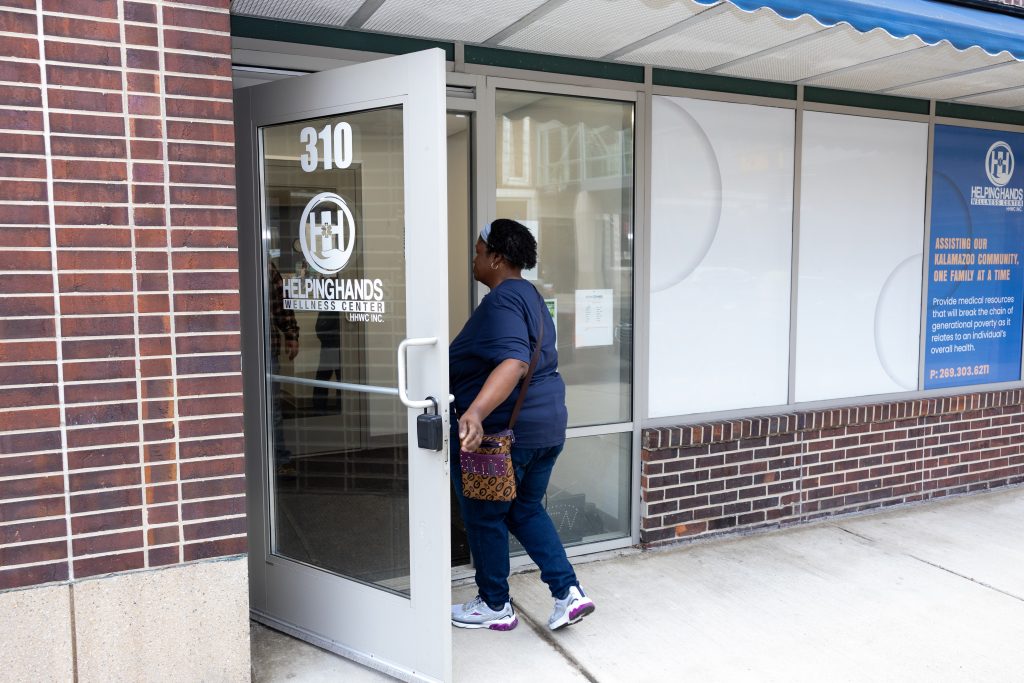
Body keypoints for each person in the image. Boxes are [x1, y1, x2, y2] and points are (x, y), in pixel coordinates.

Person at [449, 219, 595, 632]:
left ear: (496, 257)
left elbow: (513, 361)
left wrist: (474, 411)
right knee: (525, 509)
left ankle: (494, 604)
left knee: (485, 516)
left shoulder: (501, 302)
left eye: (479, 252)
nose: (474, 259)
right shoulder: (530, 294)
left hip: (504, 436)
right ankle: (568, 593)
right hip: (546, 427)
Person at [269, 260, 299, 475]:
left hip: (267, 349)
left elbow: (281, 304)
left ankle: (280, 459)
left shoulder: (267, 268)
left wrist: (291, 334)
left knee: (273, 410)